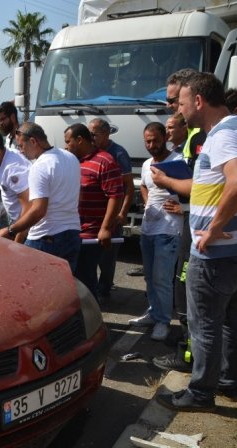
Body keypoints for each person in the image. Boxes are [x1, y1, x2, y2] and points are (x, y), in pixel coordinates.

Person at [152, 72, 237, 411]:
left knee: (204, 325)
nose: (179, 110)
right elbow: (209, 188)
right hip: (227, 251)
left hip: (214, 252)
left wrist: (215, 229)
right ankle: (227, 381)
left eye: (182, 103)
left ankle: (201, 393)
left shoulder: (223, 135)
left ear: (199, 101)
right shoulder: (224, 133)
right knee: (228, 322)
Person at [153, 69, 206, 372]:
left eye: (175, 101)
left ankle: (189, 357)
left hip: (201, 231)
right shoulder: (196, 138)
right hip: (194, 223)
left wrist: (168, 183)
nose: (172, 108)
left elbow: (205, 188)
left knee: (188, 293)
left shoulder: (204, 136)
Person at [129, 122, 183, 341]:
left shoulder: (178, 162)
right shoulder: (146, 164)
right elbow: (143, 184)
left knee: (162, 278)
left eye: (155, 140)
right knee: (150, 277)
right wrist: (146, 201)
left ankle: (163, 322)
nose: (151, 145)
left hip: (169, 230)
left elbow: (193, 188)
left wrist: (183, 208)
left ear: (165, 138)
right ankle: (154, 313)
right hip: (148, 229)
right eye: (147, 141)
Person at [6, 122, 81, 273]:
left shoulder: (39, 166)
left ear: (33, 141)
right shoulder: (71, 158)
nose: (21, 151)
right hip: (72, 234)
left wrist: (11, 230)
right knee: (64, 290)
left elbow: (39, 210)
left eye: (21, 146)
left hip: (45, 238)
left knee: (34, 289)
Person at [65, 123, 123, 300]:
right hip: (73, 230)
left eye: (68, 142)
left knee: (85, 279)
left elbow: (116, 195)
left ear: (80, 140)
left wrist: (105, 228)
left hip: (92, 234)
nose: (66, 146)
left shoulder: (105, 161)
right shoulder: (72, 160)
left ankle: (92, 320)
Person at [88, 118, 133, 301]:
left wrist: (122, 213)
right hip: (94, 215)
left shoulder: (118, 153)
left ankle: (104, 290)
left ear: (106, 134)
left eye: (94, 134)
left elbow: (128, 187)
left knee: (108, 258)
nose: (91, 138)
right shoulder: (91, 152)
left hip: (112, 214)